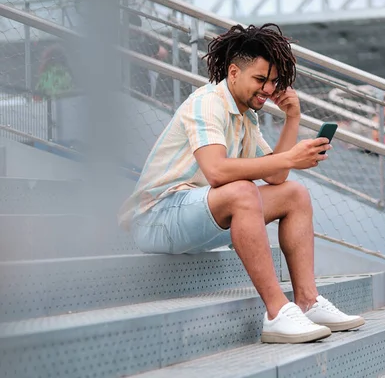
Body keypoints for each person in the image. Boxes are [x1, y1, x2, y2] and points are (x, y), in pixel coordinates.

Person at [118, 23, 365, 344]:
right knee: (241, 191)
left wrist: (292, 118)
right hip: (157, 217)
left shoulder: (246, 115)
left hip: (198, 214)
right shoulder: (207, 102)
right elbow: (218, 171)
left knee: (294, 194)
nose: (267, 88)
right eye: (260, 79)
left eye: (273, 81)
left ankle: (307, 300)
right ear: (233, 72)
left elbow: (276, 176)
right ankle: (277, 313)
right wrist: (290, 158)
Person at [127, 13, 168, 97]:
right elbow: (162, 52)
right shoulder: (142, 43)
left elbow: (163, 52)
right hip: (138, 85)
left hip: (138, 84)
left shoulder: (142, 42)